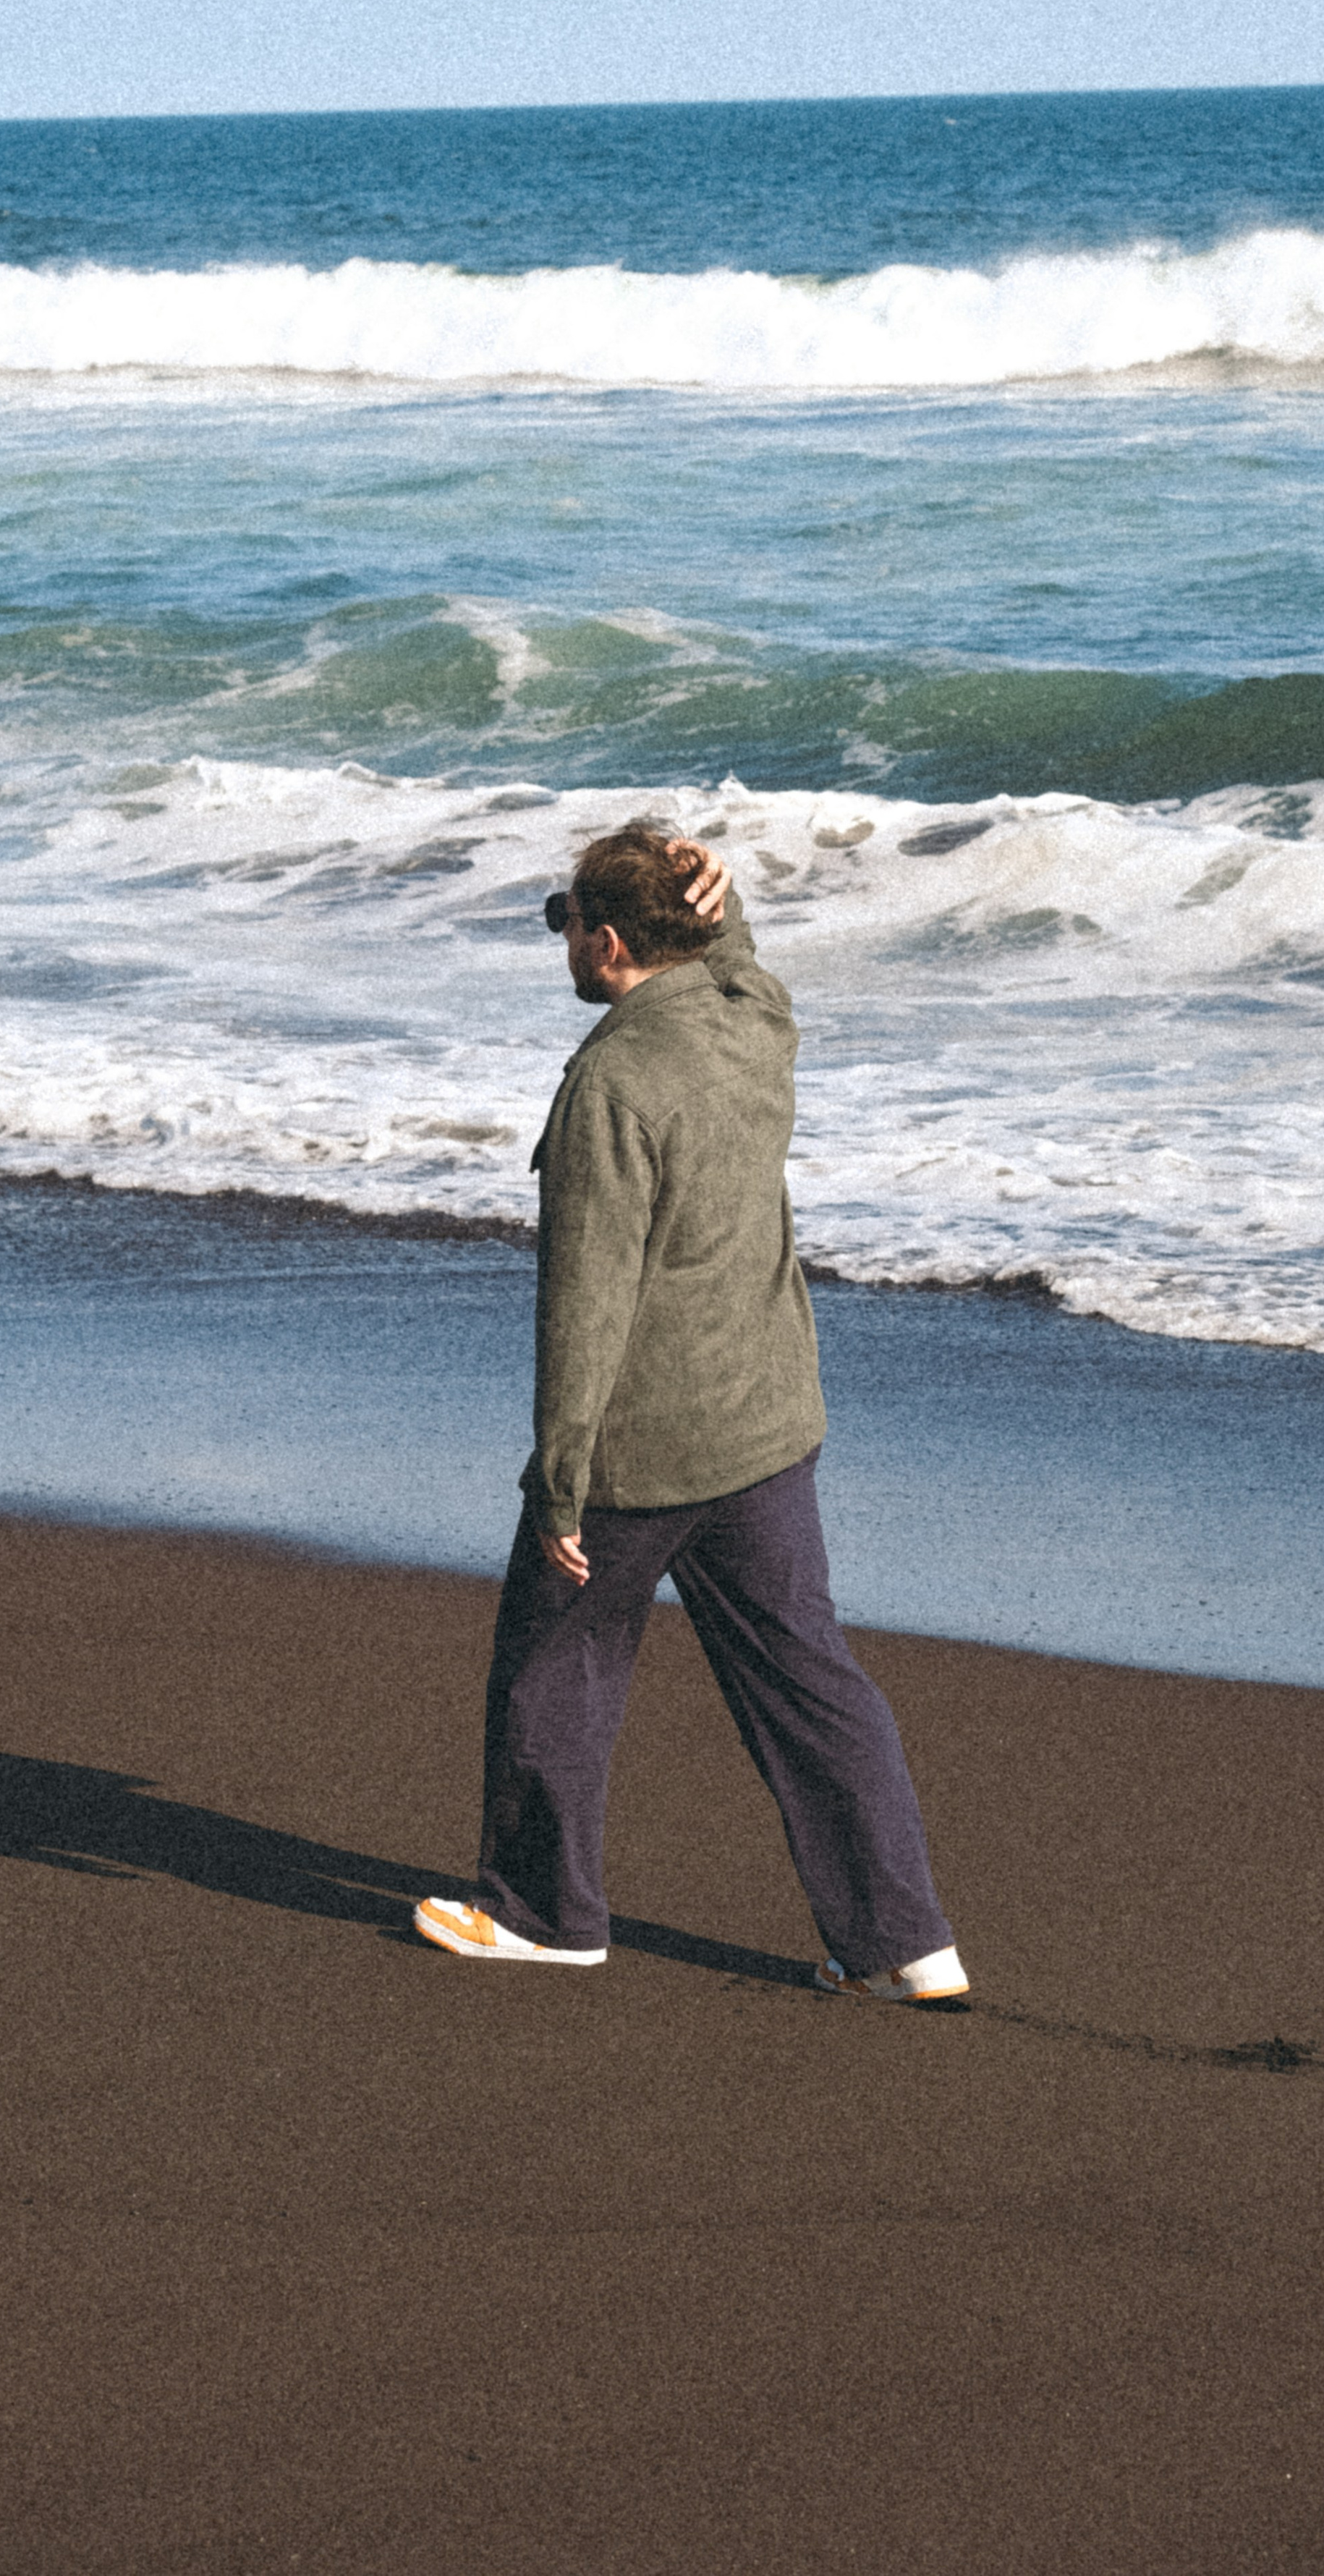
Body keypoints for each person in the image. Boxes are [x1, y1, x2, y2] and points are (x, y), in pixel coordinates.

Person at [414, 821, 967, 2004]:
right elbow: (743, 965)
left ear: (609, 943)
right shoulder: (753, 1023)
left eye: (567, 923)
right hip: (766, 1422)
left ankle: (543, 1913)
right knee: (810, 1681)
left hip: (640, 1450)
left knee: (552, 1668)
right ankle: (906, 1944)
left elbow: (586, 1302)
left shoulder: (613, 1080)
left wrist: (557, 1478)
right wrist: (729, 899)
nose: (563, 943)